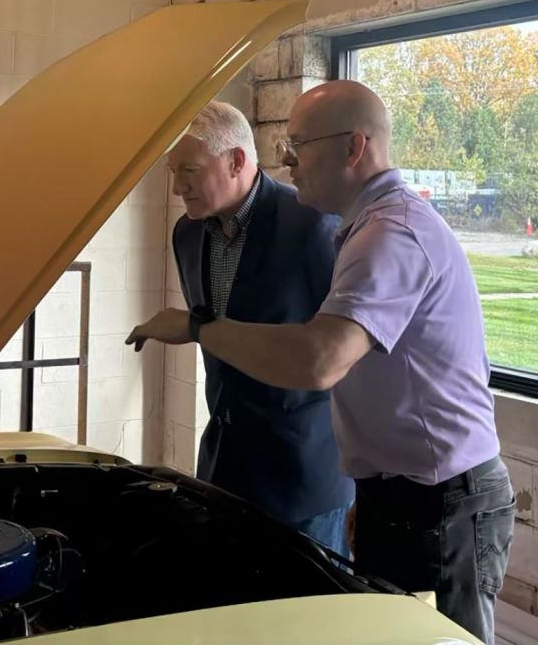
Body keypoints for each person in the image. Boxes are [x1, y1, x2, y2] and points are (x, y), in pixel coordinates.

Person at [149, 81, 513, 645]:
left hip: (441, 500)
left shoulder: (391, 233)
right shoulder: (361, 228)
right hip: (394, 492)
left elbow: (321, 360)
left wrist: (199, 329)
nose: (287, 160)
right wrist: (367, 492)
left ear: (353, 147)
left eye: (299, 144)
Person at [126, 101, 353, 556]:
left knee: (305, 617)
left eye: (189, 169)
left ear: (235, 161)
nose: (177, 186)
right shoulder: (186, 234)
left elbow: (345, 354)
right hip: (223, 467)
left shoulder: (312, 226)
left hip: (304, 478)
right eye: (173, 171)